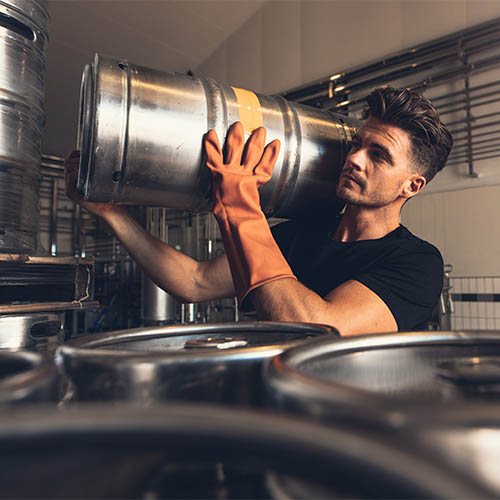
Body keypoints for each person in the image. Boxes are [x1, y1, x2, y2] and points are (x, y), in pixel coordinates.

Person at [65, 86, 453, 336]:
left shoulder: (416, 263)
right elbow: (194, 282)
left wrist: (241, 210)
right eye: (358, 145)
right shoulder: (299, 234)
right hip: (277, 415)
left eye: (378, 155)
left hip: (348, 436)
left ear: (412, 185)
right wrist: (112, 213)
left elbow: (319, 328)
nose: (355, 159)